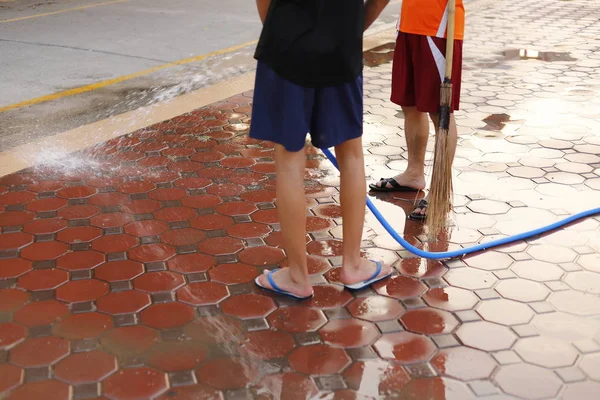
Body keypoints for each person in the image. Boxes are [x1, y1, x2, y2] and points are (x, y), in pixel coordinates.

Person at [250, 0, 392, 299]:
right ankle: (353, 265)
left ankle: (297, 277)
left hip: (286, 46)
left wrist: (280, 31)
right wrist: (351, 27)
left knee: (289, 161)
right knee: (351, 155)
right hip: (341, 47)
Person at [369, 0, 465, 221]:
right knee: (410, 105)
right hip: (408, 24)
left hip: (439, 29)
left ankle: (439, 191)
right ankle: (414, 174)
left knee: (439, 111)